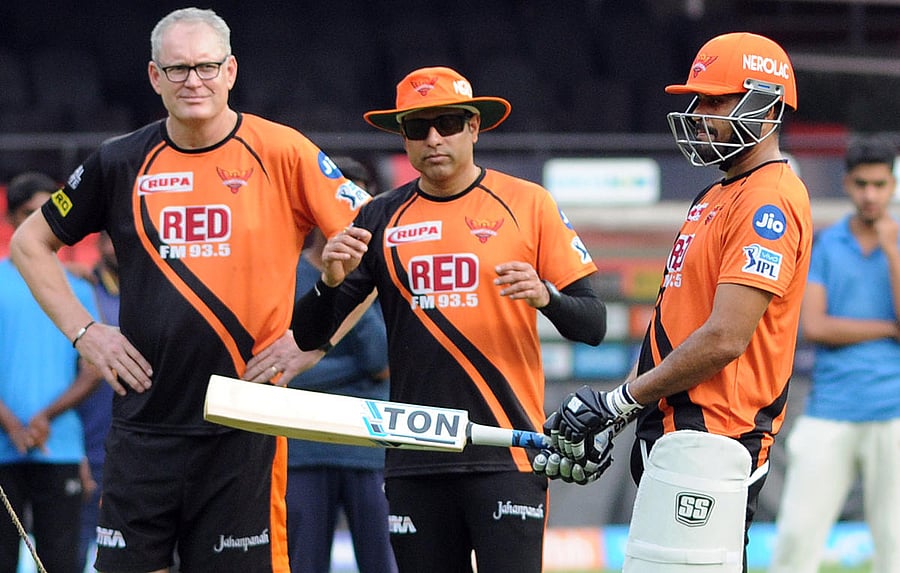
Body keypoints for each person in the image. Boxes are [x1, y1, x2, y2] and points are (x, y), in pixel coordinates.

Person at [8, 7, 370, 573]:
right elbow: (28, 245)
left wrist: (312, 344)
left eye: (205, 66)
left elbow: (375, 247)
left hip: (244, 426)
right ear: (154, 77)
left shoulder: (283, 151)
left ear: (230, 71)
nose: (192, 81)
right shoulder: (118, 160)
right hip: (142, 426)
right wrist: (87, 333)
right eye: (177, 69)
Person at [291, 66, 606, 573]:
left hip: (507, 451)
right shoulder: (379, 217)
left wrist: (547, 297)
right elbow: (308, 334)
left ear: (475, 127)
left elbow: (593, 325)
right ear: (403, 138)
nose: (434, 139)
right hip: (416, 459)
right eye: (418, 128)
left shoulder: (530, 203)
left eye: (448, 123)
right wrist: (328, 280)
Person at [535, 32, 813, 573]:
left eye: (716, 100)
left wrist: (618, 403)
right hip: (678, 434)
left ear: (768, 104)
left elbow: (726, 337)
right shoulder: (715, 193)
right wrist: (625, 418)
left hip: (714, 434)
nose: (700, 113)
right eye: (699, 100)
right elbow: (677, 321)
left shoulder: (769, 198)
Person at [769, 136, 900, 573]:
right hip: (831, 409)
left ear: (892, 186)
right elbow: (817, 327)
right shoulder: (826, 244)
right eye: (862, 184)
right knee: (795, 539)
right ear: (847, 184)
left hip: (893, 411)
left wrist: (892, 250)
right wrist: (888, 329)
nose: (870, 195)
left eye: (880, 185)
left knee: (895, 546)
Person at [285, 157, 396, 573]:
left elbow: (381, 362)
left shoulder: (385, 273)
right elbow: (281, 374)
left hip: (367, 447)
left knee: (383, 565)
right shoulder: (286, 272)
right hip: (303, 448)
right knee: (304, 566)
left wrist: (356, 281)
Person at [0, 171, 100, 573]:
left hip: (59, 445)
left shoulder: (78, 287)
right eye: (26, 214)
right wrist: (9, 420)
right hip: (7, 444)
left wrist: (44, 417)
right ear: (8, 221)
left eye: (41, 214)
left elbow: (93, 369)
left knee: (61, 563)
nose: (33, 224)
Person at [75, 231, 119, 571]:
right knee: (78, 546)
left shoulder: (156, 290)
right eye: (110, 239)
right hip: (88, 442)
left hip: (139, 442)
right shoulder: (82, 291)